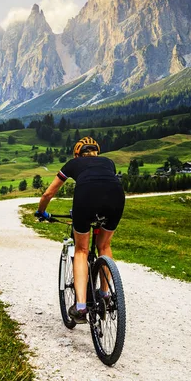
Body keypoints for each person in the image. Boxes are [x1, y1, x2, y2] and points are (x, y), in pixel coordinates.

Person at [35, 136, 125, 324]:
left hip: (86, 198)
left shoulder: (73, 164)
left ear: (77, 154)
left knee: (82, 250)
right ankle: (105, 294)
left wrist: (41, 212)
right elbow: (104, 184)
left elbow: (48, 193)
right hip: (116, 196)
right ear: (96, 152)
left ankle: (81, 307)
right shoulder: (108, 163)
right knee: (104, 245)